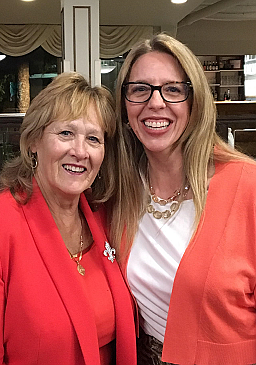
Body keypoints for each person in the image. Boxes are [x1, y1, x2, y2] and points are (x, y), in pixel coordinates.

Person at [0, 72, 137, 365]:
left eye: (93, 139)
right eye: (65, 133)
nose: (80, 151)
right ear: (34, 141)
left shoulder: (106, 220)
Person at [114, 33, 256, 365]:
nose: (155, 103)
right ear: (124, 105)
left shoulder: (247, 185)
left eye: (173, 90)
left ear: (195, 102)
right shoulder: (121, 187)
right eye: (140, 89)